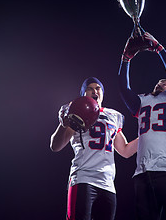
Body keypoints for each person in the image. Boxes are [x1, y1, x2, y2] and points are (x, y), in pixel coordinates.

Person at [118, 32, 166, 220]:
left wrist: (159, 48)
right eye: (160, 81)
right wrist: (125, 59)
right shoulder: (142, 101)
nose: (163, 82)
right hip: (143, 173)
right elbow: (123, 87)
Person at [50, 77, 138, 220]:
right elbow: (55, 146)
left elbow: (125, 151)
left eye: (97, 88)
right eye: (89, 88)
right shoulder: (76, 111)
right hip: (83, 177)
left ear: (102, 93)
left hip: (108, 183)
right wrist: (64, 124)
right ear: (83, 94)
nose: (94, 91)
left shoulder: (114, 116)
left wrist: (148, 134)